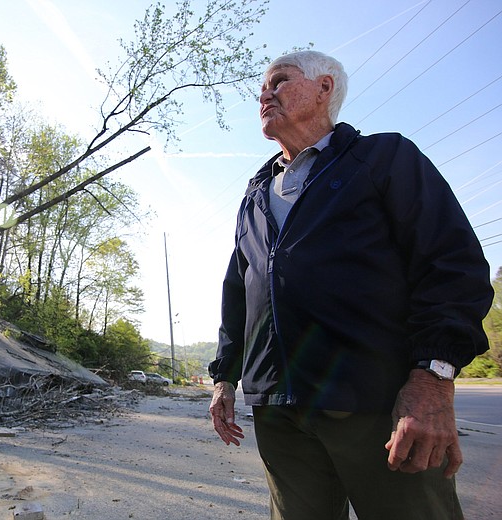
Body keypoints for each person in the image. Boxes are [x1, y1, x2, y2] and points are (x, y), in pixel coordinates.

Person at [207, 50, 493, 520]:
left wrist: (433, 378)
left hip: (377, 402)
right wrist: (225, 376)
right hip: (278, 408)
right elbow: (239, 290)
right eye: (263, 86)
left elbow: (453, 264)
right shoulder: (255, 193)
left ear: (325, 89)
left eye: (280, 81)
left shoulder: (383, 158)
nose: (265, 92)